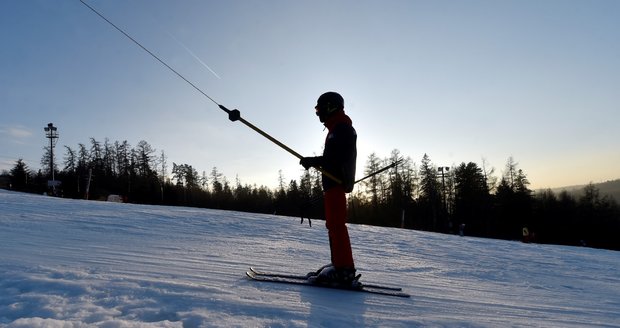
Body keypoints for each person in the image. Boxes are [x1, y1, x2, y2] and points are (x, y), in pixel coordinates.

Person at [300, 91, 357, 285]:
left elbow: (338, 158)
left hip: (336, 184)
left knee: (336, 225)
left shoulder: (341, 128)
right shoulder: (336, 128)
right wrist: (315, 161)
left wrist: (313, 160)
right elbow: (335, 158)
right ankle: (339, 265)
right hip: (332, 183)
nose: (318, 114)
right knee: (333, 224)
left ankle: (344, 270)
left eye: (319, 109)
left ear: (330, 107)